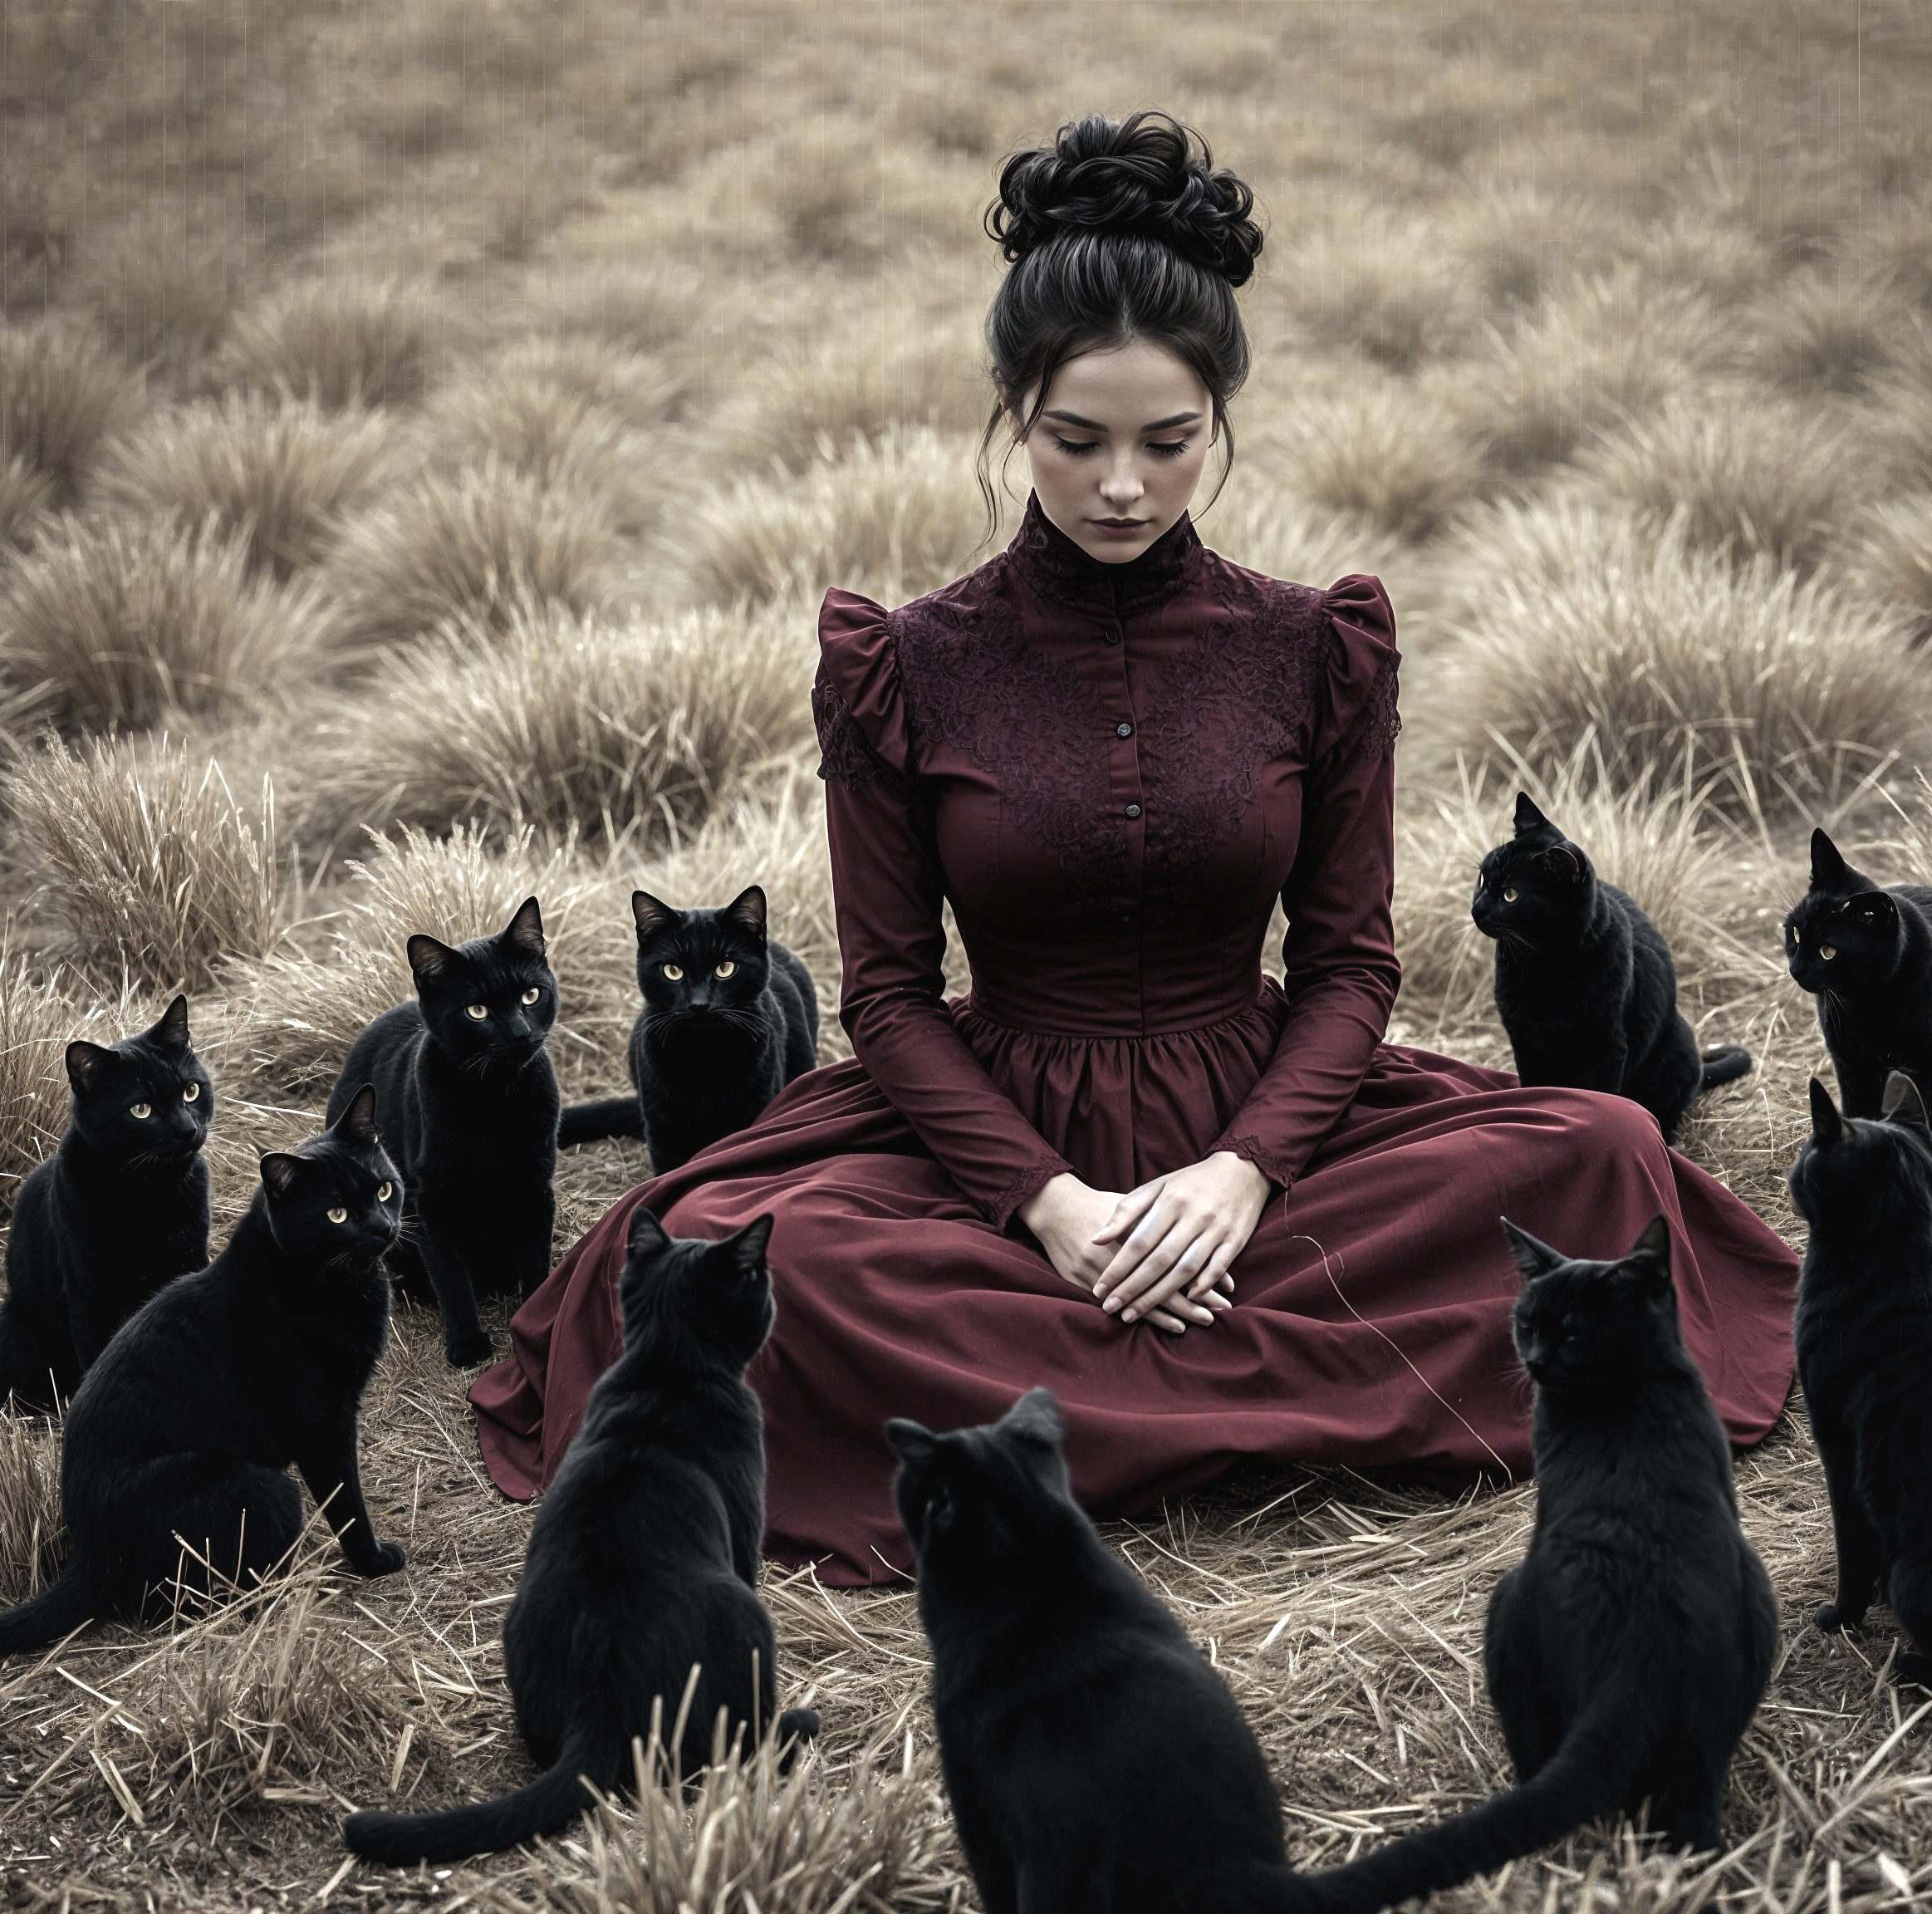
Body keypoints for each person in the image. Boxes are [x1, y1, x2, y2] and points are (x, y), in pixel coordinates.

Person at [470, 110, 1798, 1587]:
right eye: (1074, 441)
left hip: (1281, 1128)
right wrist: (1053, 1210)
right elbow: (891, 999)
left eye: (1168, 445)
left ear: (1219, 424)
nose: (1121, 488)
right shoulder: (904, 662)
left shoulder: (1317, 647)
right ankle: (1222, 1366)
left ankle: (1103, 1382)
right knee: (747, 1249)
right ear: (1009, 413)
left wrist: (1241, 1180)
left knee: (1606, 1149)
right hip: (993, 1139)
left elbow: (1353, 967)